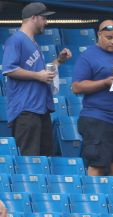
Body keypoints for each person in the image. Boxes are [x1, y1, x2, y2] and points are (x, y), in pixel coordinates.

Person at [1, 2, 72, 156]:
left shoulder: (34, 43)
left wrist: (58, 61)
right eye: (44, 18)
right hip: (25, 110)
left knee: (45, 159)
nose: (46, 22)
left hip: (40, 109)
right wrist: (38, 76)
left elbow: (41, 72)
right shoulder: (15, 40)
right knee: (30, 160)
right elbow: (9, 69)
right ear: (33, 18)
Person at [72, 19, 113, 176]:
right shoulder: (88, 56)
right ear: (99, 35)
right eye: (109, 37)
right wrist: (104, 83)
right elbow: (76, 87)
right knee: (98, 165)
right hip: (99, 119)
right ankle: (93, 200)